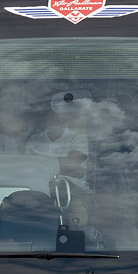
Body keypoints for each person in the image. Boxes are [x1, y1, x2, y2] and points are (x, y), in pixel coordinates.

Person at [27, 89, 91, 224]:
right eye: (51, 115)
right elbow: (26, 168)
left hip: (73, 190)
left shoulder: (78, 138)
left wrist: (38, 159)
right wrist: (66, 167)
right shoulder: (35, 139)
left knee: (77, 221)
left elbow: (72, 164)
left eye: (59, 115)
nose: (55, 119)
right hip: (39, 190)